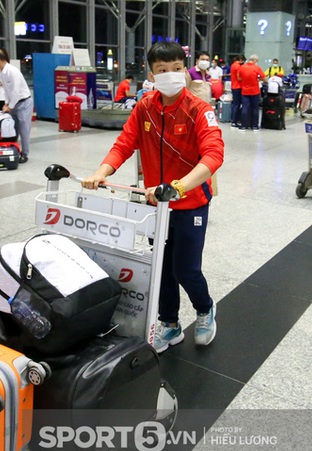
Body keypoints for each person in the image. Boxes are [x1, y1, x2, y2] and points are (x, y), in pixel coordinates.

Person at [81, 41, 224, 352]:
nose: (170, 75)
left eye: (176, 69)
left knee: (185, 268)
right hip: (155, 206)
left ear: (185, 71)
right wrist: (102, 172)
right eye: (162, 70)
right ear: (152, 74)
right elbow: (124, 144)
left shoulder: (200, 110)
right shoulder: (145, 107)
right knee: (160, 267)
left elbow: (213, 156)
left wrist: (180, 186)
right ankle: (170, 324)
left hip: (190, 203)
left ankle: (205, 309)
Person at [0, 49, 33, 163]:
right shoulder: (2, 72)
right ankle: (14, 150)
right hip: (13, 103)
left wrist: (10, 106)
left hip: (23, 103)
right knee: (13, 128)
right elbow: (6, 89)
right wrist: (6, 103)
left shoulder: (12, 71)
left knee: (23, 129)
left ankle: (25, 154)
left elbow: (16, 91)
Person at [238, 54, 265, 131]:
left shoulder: (242, 67)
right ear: (255, 60)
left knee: (245, 108)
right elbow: (264, 78)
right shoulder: (257, 68)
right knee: (255, 109)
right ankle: (255, 126)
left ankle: (243, 126)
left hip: (245, 91)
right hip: (255, 91)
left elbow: (239, 78)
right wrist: (258, 79)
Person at [230, 54, 245, 129]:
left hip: (233, 86)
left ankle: (233, 120)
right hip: (238, 87)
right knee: (237, 105)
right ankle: (235, 121)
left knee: (234, 104)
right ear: (241, 60)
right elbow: (239, 78)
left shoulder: (233, 65)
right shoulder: (238, 66)